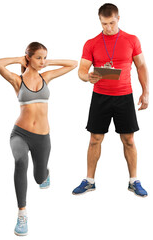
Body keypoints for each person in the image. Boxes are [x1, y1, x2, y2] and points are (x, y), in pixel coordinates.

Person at [0, 42, 78, 236]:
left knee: (39, 178)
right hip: (20, 134)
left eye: (44, 57)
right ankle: (22, 213)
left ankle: (44, 173)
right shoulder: (17, 80)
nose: (42, 61)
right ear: (28, 57)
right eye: (38, 57)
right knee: (20, 160)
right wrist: (18, 59)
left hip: (42, 137)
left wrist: (48, 62)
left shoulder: (45, 77)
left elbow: (73, 64)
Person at [72, 3, 149, 197]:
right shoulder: (91, 43)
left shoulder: (131, 40)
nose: (108, 28)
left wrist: (146, 92)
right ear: (100, 21)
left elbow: (141, 66)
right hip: (100, 97)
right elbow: (81, 71)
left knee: (129, 140)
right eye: (104, 23)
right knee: (94, 139)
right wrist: (87, 76)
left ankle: (134, 181)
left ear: (118, 18)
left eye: (112, 23)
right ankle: (89, 181)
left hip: (124, 96)